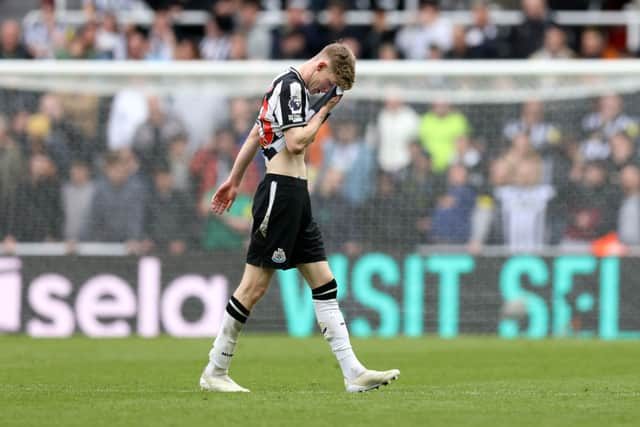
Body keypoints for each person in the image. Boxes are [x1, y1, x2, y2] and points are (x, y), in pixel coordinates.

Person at [199, 42, 399, 393]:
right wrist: (324, 113)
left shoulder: (288, 87)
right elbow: (295, 143)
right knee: (254, 287)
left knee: (324, 282)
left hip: (296, 196)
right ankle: (215, 370)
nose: (326, 91)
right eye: (329, 83)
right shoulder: (292, 86)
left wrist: (232, 179)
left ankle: (352, 372)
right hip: (280, 193)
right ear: (321, 65)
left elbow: (254, 133)